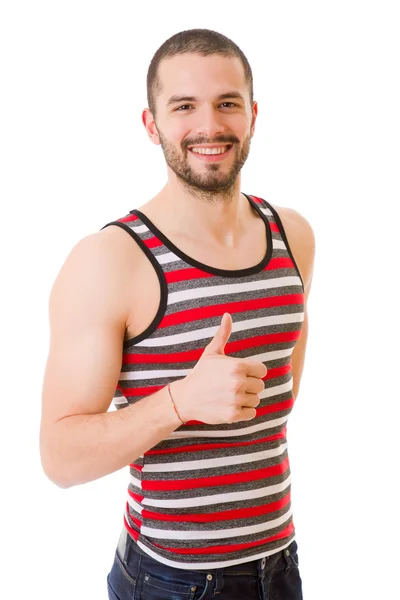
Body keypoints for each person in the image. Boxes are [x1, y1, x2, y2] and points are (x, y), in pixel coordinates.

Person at [40, 28, 315, 600]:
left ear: (254, 115)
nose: (209, 126)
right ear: (151, 124)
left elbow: (278, 403)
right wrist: (181, 402)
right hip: (171, 582)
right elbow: (59, 457)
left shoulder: (294, 236)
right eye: (184, 106)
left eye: (227, 103)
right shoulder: (110, 259)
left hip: (281, 563)